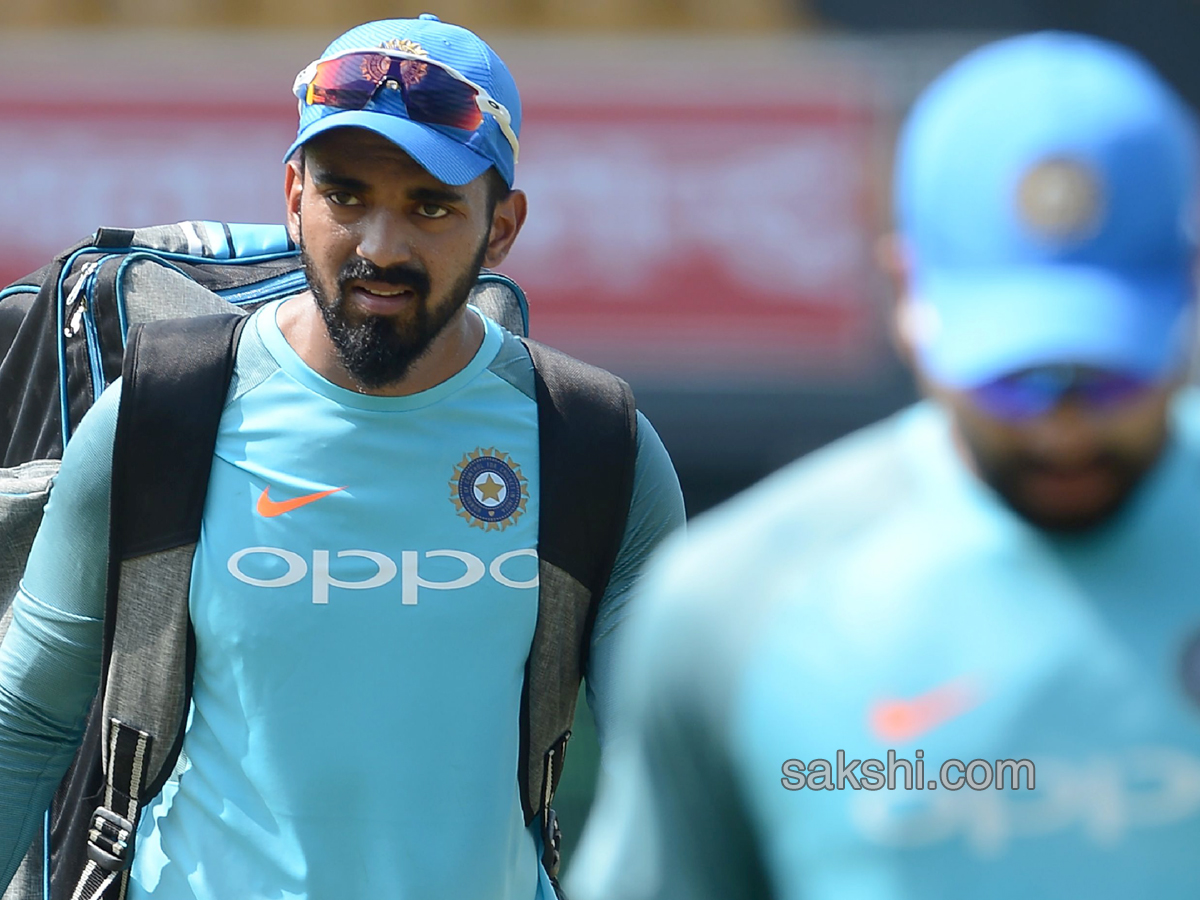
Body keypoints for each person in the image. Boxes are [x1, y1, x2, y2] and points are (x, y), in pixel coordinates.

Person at [0, 15, 684, 900]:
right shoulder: (160, 418)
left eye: (430, 206)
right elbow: (24, 723)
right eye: (346, 195)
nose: (381, 247)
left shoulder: (594, 441)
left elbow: (674, 769)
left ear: (503, 227)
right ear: (294, 197)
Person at [568, 31, 1200, 900]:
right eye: (1013, 380)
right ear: (908, 297)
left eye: (1110, 373)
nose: (1062, 432)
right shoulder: (734, 607)